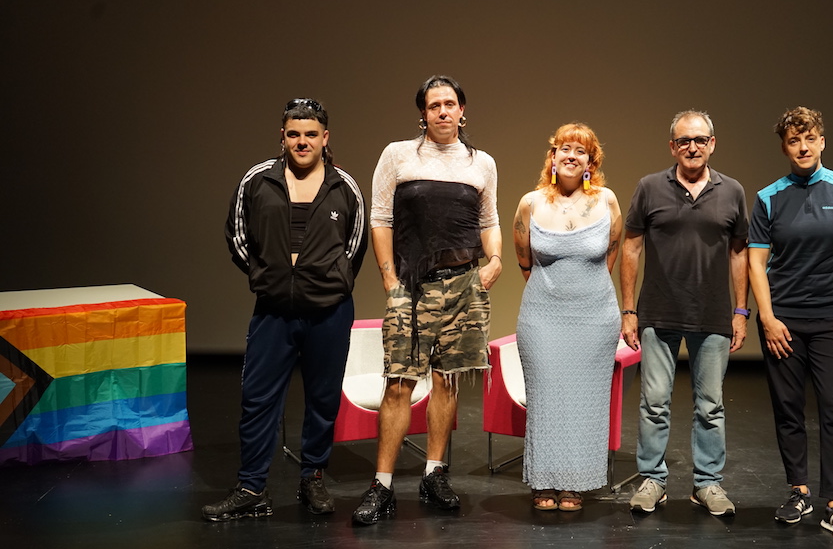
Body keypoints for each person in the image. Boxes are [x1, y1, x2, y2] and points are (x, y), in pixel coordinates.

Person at [204, 98, 368, 522]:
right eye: (294, 134)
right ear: (282, 136)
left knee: (323, 400)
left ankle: (312, 478)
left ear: (325, 138)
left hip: (329, 312)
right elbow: (238, 235)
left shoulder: (344, 186)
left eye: (311, 134)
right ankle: (251, 487)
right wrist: (268, 277)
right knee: (258, 399)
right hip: (273, 310)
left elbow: (354, 246)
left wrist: (330, 281)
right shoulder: (258, 180)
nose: (302, 142)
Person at [352, 75, 502, 525]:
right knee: (399, 382)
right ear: (423, 113)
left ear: (462, 111)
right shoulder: (398, 155)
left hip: (464, 286)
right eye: (434, 105)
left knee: (446, 381)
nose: (442, 111)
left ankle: (434, 474)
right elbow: (380, 219)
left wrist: (494, 260)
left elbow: (489, 219)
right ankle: (382, 484)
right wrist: (389, 279)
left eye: (449, 103)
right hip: (412, 286)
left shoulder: (481, 163)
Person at [748, 106, 833, 542]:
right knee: (788, 408)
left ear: (822, 141)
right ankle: (798, 492)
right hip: (782, 320)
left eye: (809, 138)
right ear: (784, 147)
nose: (802, 147)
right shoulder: (768, 197)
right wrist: (767, 318)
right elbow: (756, 262)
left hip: (832, 318)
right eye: (793, 141)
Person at [621, 110, 749, 517]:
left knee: (710, 405)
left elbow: (739, 253)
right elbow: (631, 248)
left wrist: (741, 310)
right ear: (672, 146)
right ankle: (653, 481)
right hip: (658, 311)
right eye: (683, 141)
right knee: (654, 403)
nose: (692, 147)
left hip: (712, 314)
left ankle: (707, 484)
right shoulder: (649, 187)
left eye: (699, 140)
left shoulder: (732, 191)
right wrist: (628, 310)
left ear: (712, 143)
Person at [512, 123, 623, 512]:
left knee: (585, 402)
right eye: (564, 148)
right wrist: (553, 292)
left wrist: (585, 291)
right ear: (553, 157)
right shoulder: (530, 203)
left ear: (591, 162)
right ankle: (544, 480)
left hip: (595, 318)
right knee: (546, 398)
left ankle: (575, 482)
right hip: (543, 316)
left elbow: (611, 252)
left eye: (581, 150)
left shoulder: (607, 200)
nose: (571, 155)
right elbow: (524, 260)